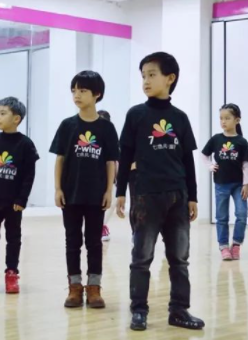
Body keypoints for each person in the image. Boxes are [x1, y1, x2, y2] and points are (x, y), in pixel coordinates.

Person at [116, 52, 205, 331]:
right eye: (143, 75)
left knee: (179, 258)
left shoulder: (180, 118)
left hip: (177, 195)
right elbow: (125, 154)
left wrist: (193, 196)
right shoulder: (136, 115)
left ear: (170, 78)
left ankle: (179, 310)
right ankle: (138, 310)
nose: (146, 80)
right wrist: (120, 192)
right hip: (145, 195)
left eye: (152, 74)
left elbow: (188, 160)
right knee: (141, 257)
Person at [50, 71, 119, 309]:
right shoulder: (67, 125)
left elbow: (110, 162)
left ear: (97, 94)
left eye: (82, 91)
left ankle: (94, 288)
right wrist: (58, 188)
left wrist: (109, 191)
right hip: (70, 194)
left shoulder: (106, 128)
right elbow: (60, 159)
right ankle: (74, 287)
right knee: (72, 241)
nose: (77, 95)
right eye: (74, 91)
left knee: (94, 242)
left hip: (96, 195)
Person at [0, 97, 39, 296]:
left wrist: (22, 199)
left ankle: (12, 274)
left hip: (13, 203)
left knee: (13, 238)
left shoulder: (26, 144)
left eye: (3, 113)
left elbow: (29, 175)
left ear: (16, 118)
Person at [202, 104, 248, 260]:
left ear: (237, 120)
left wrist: (246, 184)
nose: (223, 121)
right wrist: (210, 166)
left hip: (238, 185)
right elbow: (204, 155)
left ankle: (236, 245)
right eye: (221, 118)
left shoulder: (242, 142)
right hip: (221, 184)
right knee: (222, 217)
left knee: (242, 214)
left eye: (227, 118)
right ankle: (223, 246)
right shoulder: (216, 139)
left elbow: (246, 164)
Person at [97, 109, 119, 242]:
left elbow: (116, 160)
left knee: (111, 201)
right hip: (94, 178)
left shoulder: (113, 140)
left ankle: (101, 225)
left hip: (111, 180)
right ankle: (97, 226)